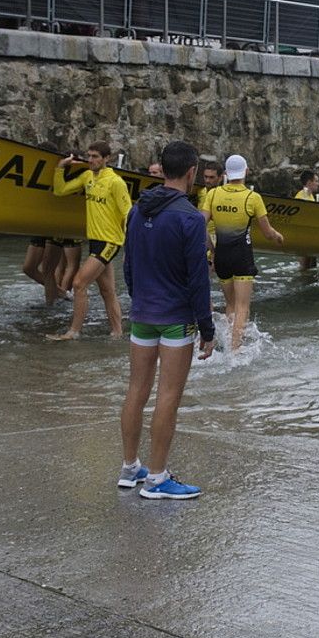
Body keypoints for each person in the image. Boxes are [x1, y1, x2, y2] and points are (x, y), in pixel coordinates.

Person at [117, 140, 216, 500]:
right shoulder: (189, 217)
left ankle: (131, 468)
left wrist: (138, 299)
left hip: (142, 313)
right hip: (175, 318)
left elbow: (128, 266)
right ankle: (158, 478)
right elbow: (198, 277)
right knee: (168, 395)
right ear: (192, 173)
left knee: (136, 390)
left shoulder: (136, 210)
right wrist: (207, 327)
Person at [200, 154, 284, 350]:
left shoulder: (212, 195)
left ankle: (229, 342)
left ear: (226, 173)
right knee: (242, 307)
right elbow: (268, 232)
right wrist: (279, 237)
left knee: (230, 304)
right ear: (246, 171)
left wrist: (211, 249)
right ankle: (235, 351)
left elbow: (199, 224)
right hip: (242, 257)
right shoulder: (252, 198)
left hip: (221, 256)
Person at [48, 143, 130, 340]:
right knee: (107, 290)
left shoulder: (116, 182)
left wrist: (134, 245)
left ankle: (73, 332)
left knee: (78, 283)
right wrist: (60, 167)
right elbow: (60, 190)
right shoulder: (87, 177)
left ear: (106, 158)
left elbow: (128, 214)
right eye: (89, 156)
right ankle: (117, 333)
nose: (91, 160)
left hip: (110, 242)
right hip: (94, 241)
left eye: (95, 157)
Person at [22, 236, 67, 305]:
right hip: (40, 229)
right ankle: (60, 292)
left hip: (55, 229)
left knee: (48, 270)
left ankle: (50, 307)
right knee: (28, 268)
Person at [295, 172, 319, 271]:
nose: (318, 184)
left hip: (310, 235)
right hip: (303, 236)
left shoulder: (310, 196)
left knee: (312, 265)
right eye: (316, 181)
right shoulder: (301, 197)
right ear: (309, 182)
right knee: (305, 267)